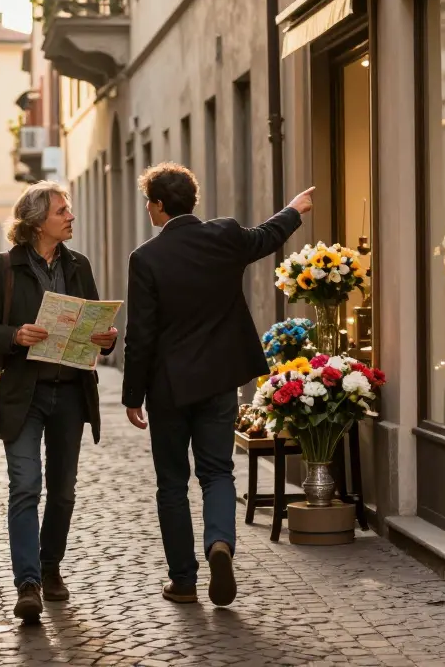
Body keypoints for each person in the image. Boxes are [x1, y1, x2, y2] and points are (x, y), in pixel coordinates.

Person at [121, 162, 314, 607]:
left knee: (171, 482)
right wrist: (293, 210)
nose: (148, 209)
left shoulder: (146, 257)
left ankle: (184, 581)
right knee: (217, 472)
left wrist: (133, 396)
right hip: (220, 380)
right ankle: (220, 545)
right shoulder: (224, 236)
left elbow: (141, 335)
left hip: (169, 388)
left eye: (148, 202)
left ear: (159, 205)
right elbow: (266, 237)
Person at [0, 181, 118, 624]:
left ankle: (51, 566)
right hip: (22, 395)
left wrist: (105, 339)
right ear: (36, 222)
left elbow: (97, 324)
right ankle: (28, 583)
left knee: (64, 491)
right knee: (25, 486)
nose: (70, 217)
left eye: (68, 210)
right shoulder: (2, 268)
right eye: (61, 211)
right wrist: (14, 335)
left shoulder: (79, 265)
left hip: (71, 392)